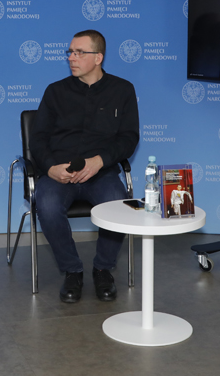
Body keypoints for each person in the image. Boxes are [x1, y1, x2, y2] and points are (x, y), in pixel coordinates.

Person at [30, 30, 140, 303]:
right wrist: (50, 168)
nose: (71, 57)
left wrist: (99, 161)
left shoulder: (122, 90)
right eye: (70, 52)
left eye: (79, 52)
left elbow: (129, 138)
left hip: (100, 173)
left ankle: (102, 269)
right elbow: (38, 139)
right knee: (47, 205)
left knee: (118, 203)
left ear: (98, 57)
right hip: (59, 173)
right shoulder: (55, 91)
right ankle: (72, 271)